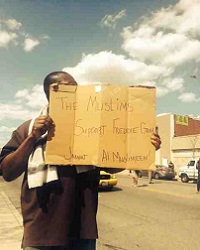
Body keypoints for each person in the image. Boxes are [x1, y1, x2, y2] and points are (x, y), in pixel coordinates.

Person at [0, 71, 161, 250]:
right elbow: (7, 172)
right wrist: (33, 137)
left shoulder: (93, 128)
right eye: (69, 88)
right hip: (41, 233)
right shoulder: (29, 128)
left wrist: (143, 146)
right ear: (51, 93)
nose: (77, 93)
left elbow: (112, 166)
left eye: (77, 88)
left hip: (83, 233)